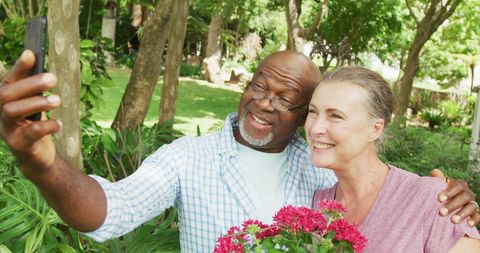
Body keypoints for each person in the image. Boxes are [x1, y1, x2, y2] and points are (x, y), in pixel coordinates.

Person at [0, 50, 478, 252]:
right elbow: (108, 212)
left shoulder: (319, 171)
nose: (265, 103)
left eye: (290, 100)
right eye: (258, 85)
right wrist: (41, 163)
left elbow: (397, 198)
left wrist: (451, 199)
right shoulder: (189, 157)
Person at [306, 66, 480, 252]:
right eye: (313, 112)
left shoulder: (432, 199)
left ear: (375, 129)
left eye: (336, 116)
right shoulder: (316, 204)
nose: (316, 128)